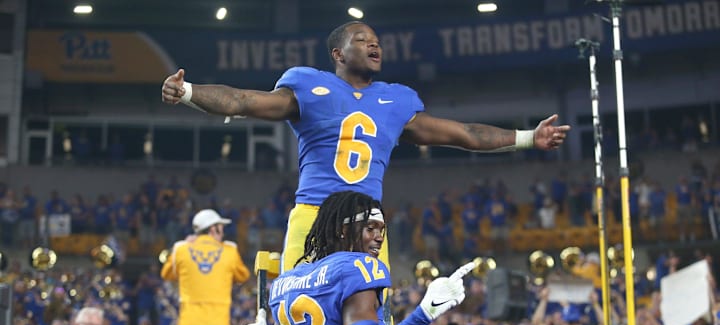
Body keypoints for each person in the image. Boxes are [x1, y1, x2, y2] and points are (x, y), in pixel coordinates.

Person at [161, 21, 571, 272]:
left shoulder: (396, 100)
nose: (375, 45)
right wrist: (189, 91)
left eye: (376, 40)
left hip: (367, 222)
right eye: (362, 39)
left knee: (371, 322)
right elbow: (243, 101)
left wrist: (525, 138)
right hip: (314, 212)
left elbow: (461, 133)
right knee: (296, 313)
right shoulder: (308, 84)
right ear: (339, 53)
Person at [241, 191, 473, 325]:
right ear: (343, 230)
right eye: (370, 228)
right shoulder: (357, 269)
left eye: (382, 229)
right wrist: (424, 313)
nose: (379, 237)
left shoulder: (288, 284)